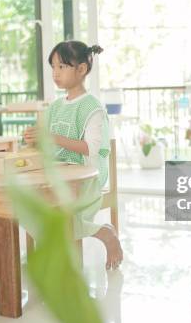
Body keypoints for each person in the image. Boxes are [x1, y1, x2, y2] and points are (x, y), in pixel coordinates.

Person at [24, 41, 123, 270]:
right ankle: (53, 258)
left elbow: (91, 149)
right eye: (53, 67)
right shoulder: (56, 107)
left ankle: (105, 234)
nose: (55, 73)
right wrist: (35, 138)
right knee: (32, 205)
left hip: (86, 177)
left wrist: (52, 137)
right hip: (58, 174)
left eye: (62, 67)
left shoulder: (92, 107)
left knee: (64, 214)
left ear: (81, 70)